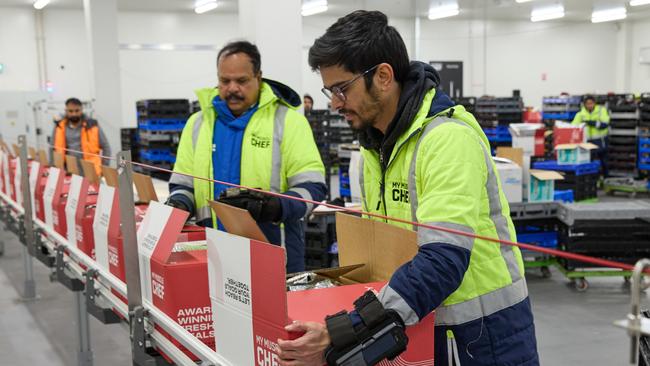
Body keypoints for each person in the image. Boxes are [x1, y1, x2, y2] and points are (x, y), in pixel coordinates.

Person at [277, 10, 538, 366]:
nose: (335, 103)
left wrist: (344, 331)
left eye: (342, 88)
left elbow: (442, 261)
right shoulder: (376, 146)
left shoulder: (446, 139)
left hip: (479, 336)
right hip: (418, 322)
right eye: (329, 90)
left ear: (383, 76)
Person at [167, 41, 327, 273]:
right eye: (225, 81)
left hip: (274, 258)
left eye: (241, 81)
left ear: (258, 77)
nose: (232, 88)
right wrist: (178, 203)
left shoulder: (289, 122)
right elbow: (183, 185)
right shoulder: (197, 124)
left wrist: (275, 206)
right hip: (211, 257)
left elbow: (313, 188)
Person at [52, 97, 111, 176]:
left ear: (81, 110)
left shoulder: (92, 125)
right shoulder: (59, 126)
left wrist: (104, 168)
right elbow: (52, 147)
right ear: (66, 111)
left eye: (77, 110)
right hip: (69, 171)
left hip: (92, 171)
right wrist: (53, 166)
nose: (74, 114)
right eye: (71, 111)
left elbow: (106, 146)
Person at [572, 95, 610, 175]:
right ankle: (593, 180)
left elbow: (605, 124)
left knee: (604, 162)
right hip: (587, 143)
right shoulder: (580, 114)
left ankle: (605, 179)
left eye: (591, 103)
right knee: (590, 162)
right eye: (587, 103)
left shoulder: (601, 111)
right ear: (584, 104)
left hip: (601, 141)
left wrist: (590, 123)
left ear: (594, 103)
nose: (590, 105)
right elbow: (574, 127)